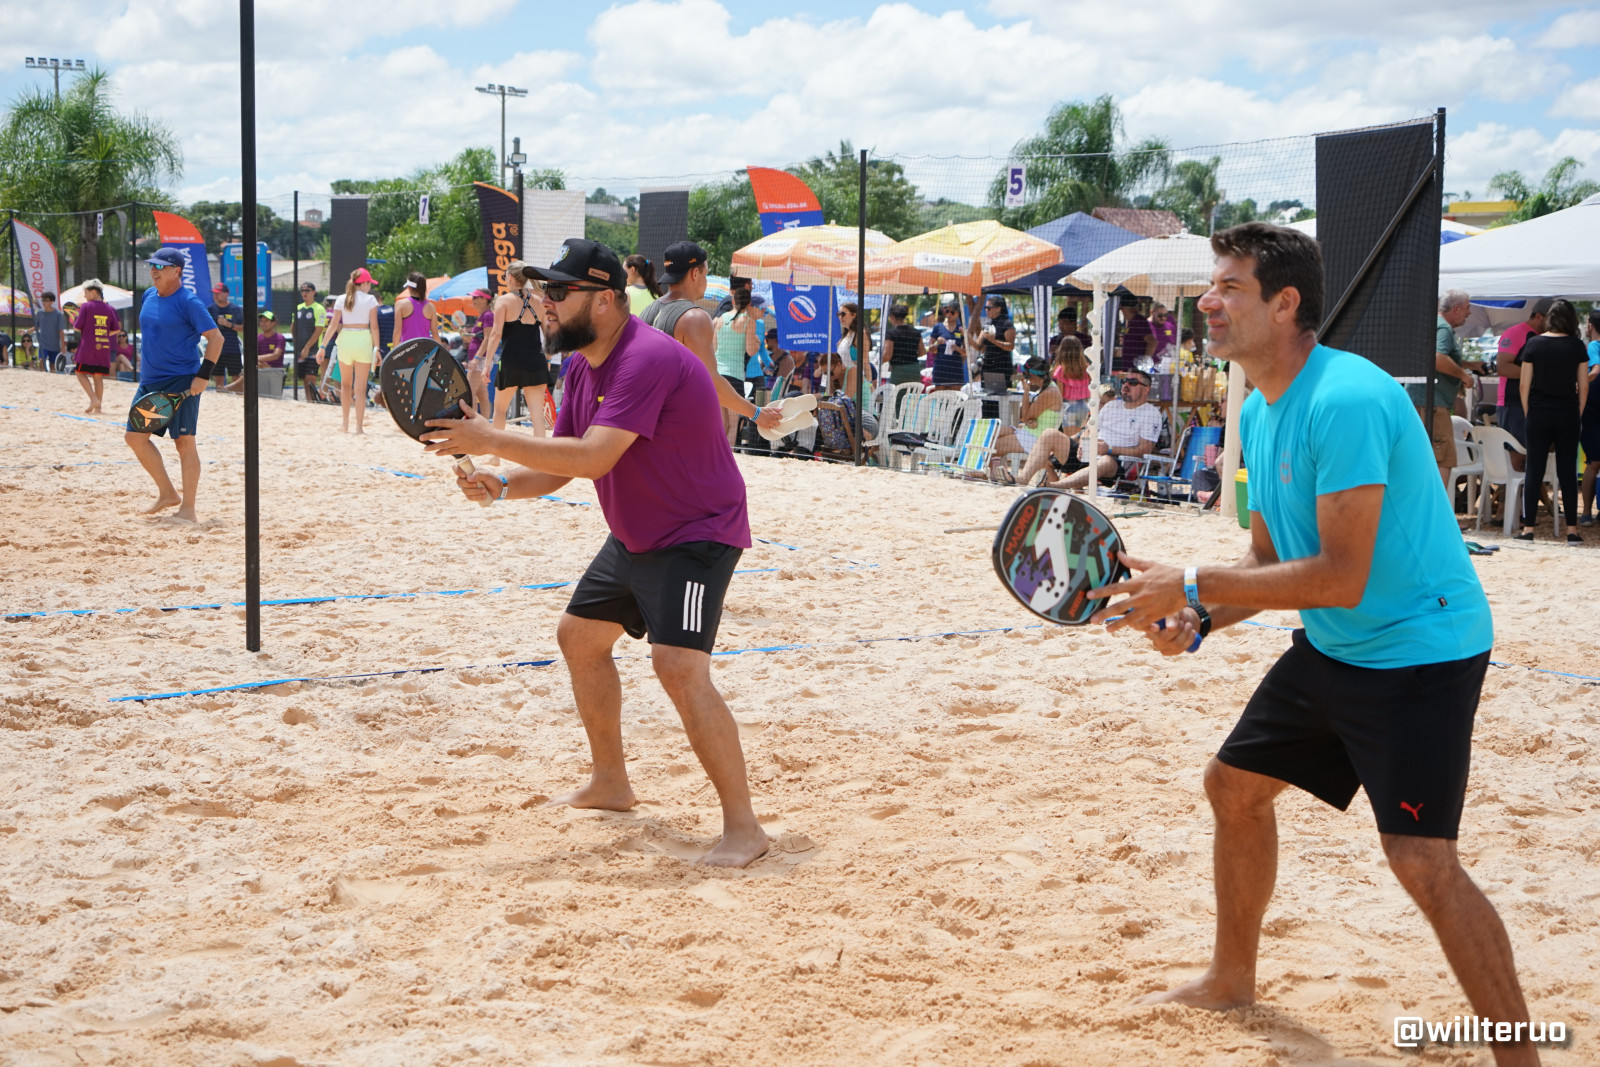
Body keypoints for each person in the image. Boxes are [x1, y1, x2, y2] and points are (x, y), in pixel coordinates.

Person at [1088, 223, 1538, 1067]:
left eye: (1229, 286)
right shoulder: (1259, 410)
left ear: (1285, 303)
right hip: (1338, 646)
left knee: (1421, 860)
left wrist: (1191, 581)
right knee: (1234, 786)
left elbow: (1339, 576)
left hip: (1420, 651)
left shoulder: (1348, 398)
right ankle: (1231, 978)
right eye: (1212, 285)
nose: (1207, 301)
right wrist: (1197, 619)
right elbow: (1268, 561)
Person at [420, 238, 768, 868]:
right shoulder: (582, 365)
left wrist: (490, 437)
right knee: (579, 637)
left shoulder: (645, 358)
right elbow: (562, 466)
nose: (543, 303)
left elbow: (594, 457)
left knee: (678, 667)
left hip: (697, 533)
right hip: (638, 532)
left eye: (557, 291)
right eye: (542, 291)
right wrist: (501, 483)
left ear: (604, 299)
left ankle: (745, 829)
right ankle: (611, 783)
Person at [124, 248, 224, 522]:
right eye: (152, 265)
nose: (153, 270)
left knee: (184, 443)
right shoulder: (148, 295)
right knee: (134, 437)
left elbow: (216, 339)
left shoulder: (188, 302)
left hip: (181, 379)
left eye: (160, 266)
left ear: (176, 271)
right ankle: (168, 493)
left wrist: (203, 376)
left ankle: (188, 509)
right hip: (150, 381)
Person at [641, 241, 780, 435]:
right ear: (694, 273)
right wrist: (757, 414)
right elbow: (711, 381)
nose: (706, 280)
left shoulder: (648, 311)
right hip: (673, 426)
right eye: (705, 274)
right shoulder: (694, 317)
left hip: (644, 421)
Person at [1018, 368, 1163, 488]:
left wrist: (1109, 449)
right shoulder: (1112, 405)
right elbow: (1089, 429)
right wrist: (1084, 443)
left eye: (1132, 382)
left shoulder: (1151, 413)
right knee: (1050, 434)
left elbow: (1144, 450)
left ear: (1146, 390)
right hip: (1089, 453)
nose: (1126, 385)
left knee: (1105, 461)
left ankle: (1054, 486)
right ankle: (1023, 478)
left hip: (1116, 462)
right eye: (1124, 381)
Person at [1517, 299, 1588, 543]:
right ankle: (1572, 530)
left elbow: (1524, 385)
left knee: (1534, 469)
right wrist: (1578, 413)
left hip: (1538, 412)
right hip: (1567, 412)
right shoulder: (1577, 346)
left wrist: (1529, 412)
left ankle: (1528, 529)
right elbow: (1583, 386)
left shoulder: (1534, 344)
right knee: (1567, 471)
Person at [476, 262, 552, 444]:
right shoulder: (539, 301)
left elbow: (495, 335)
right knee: (537, 415)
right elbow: (549, 335)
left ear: (510, 277)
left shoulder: (503, 301)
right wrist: (548, 360)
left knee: (500, 410)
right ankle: (540, 454)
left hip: (511, 362)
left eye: (505, 276)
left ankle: (495, 454)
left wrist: (487, 364)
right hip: (535, 362)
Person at [1412, 290, 1477, 491]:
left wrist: (1470, 365)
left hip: (1418, 399)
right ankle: (1437, 508)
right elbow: (1438, 358)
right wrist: (1464, 376)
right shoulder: (1444, 329)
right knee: (1443, 458)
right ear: (1456, 308)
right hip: (1433, 403)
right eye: (1467, 308)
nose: (1469, 313)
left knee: (1421, 457)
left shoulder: (1429, 324)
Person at [317, 267, 381, 434]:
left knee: (345, 386)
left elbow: (333, 325)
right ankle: (359, 427)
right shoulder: (371, 300)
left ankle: (345, 424)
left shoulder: (341, 299)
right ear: (364, 283)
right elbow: (374, 327)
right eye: (369, 283)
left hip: (346, 339)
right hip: (363, 339)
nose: (370, 286)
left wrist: (322, 347)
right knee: (360, 389)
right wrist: (377, 349)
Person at [1496, 298, 1552, 472]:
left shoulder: (1545, 337)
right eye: (1552, 319)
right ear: (1539, 316)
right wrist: (1537, 376)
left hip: (1536, 403)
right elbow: (1503, 367)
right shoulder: (1516, 333)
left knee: (1536, 452)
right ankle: (1514, 490)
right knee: (1518, 454)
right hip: (1513, 403)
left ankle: (1530, 488)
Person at [989, 356, 1061, 481]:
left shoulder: (1049, 392)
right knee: (993, 432)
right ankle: (995, 473)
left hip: (1036, 438)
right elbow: (1027, 418)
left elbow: (1024, 416)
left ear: (1031, 375)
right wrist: (1028, 421)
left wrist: (1026, 391)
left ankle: (995, 474)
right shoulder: (1048, 388)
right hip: (1032, 432)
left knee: (994, 445)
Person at [713, 283, 763, 445]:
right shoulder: (748, 321)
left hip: (717, 375)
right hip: (734, 376)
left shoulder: (720, 319)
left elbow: (713, 348)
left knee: (722, 424)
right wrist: (757, 342)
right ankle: (730, 457)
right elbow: (750, 351)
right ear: (749, 304)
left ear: (733, 301)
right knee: (734, 425)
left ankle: (716, 455)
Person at [71, 280, 121, 414]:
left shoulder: (86, 306)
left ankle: (93, 399)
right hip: (103, 346)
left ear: (93, 292)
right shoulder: (109, 308)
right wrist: (103, 333)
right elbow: (116, 329)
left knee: (79, 372)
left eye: (86, 293)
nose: (85, 296)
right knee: (98, 377)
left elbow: (77, 327)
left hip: (88, 346)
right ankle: (98, 408)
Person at [1581, 310, 1600, 526]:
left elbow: (1595, 371)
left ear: (1591, 325)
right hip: (1594, 411)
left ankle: (1586, 512)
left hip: (1592, 411)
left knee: (1593, 463)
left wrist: (1579, 383)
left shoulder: (1594, 345)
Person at [973, 296, 1016, 392]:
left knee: (1001, 397)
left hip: (1001, 366)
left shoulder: (1007, 324)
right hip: (988, 366)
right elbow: (978, 346)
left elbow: (1010, 346)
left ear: (998, 308)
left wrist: (994, 341)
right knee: (987, 397)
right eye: (985, 308)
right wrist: (967, 337)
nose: (986, 310)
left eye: (988, 308)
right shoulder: (987, 325)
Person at [292, 283, 326, 402]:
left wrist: (307, 348)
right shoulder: (298, 308)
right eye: (302, 290)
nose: (304, 293)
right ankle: (309, 402)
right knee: (304, 379)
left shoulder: (319, 309)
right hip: (299, 349)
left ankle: (312, 402)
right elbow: (293, 327)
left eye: (307, 290)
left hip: (313, 350)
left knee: (310, 378)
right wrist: (296, 343)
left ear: (314, 292)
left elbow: (318, 330)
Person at [464, 288, 494, 414]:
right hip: (480, 359)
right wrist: (461, 332)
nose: (473, 300)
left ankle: (474, 422)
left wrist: (476, 358)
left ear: (484, 299)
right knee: (482, 395)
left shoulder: (488, 315)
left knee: (469, 393)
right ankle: (485, 422)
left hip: (481, 359)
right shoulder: (483, 316)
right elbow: (474, 339)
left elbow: (488, 339)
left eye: (475, 297)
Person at [208, 283, 244, 386]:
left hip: (232, 348)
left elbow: (243, 328)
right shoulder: (211, 309)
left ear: (226, 294)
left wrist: (228, 324)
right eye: (214, 293)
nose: (215, 296)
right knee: (218, 377)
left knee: (236, 377)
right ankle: (220, 393)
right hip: (216, 348)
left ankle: (237, 394)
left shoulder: (235, 309)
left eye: (218, 293)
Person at [1052, 335, 1091, 429]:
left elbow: (1060, 394)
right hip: (1084, 407)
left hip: (1068, 406)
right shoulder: (1087, 368)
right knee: (1079, 436)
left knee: (1069, 437)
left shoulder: (1061, 370)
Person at [882, 302, 924, 386]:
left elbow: (887, 355)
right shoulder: (916, 332)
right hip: (914, 369)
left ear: (892, 316)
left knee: (897, 393)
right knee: (913, 393)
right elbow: (922, 352)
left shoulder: (891, 333)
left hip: (899, 371)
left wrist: (880, 361)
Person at [393, 272, 440, 347]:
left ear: (409, 287)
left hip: (408, 349)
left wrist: (395, 351)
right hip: (425, 349)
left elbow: (397, 332)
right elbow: (435, 335)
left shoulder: (400, 304)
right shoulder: (431, 307)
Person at [929, 302, 967, 390]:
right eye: (947, 311)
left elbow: (966, 352)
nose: (949, 314)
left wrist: (957, 348)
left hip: (955, 369)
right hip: (940, 368)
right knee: (940, 396)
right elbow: (931, 349)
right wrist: (937, 343)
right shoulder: (938, 327)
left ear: (957, 313)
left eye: (952, 312)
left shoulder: (961, 329)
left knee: (955, 396)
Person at [1116, 301, 1153, 372]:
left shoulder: (1139, 321)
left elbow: (1152, 341)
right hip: (1129, 370)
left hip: (1136, 371)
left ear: (1123, 309)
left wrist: (1145, 361)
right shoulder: (1132, 322)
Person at [34, 292, 64, 372]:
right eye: (43, 300)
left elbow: (61, 331)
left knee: (53, 366)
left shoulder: (58, 314)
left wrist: (62, 346)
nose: (44, 302)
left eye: (46, 300)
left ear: (52, 301)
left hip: (55, 345)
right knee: (41, 361)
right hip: (43, 344)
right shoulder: (40, 313)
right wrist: (26, 331)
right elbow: (36, 326)